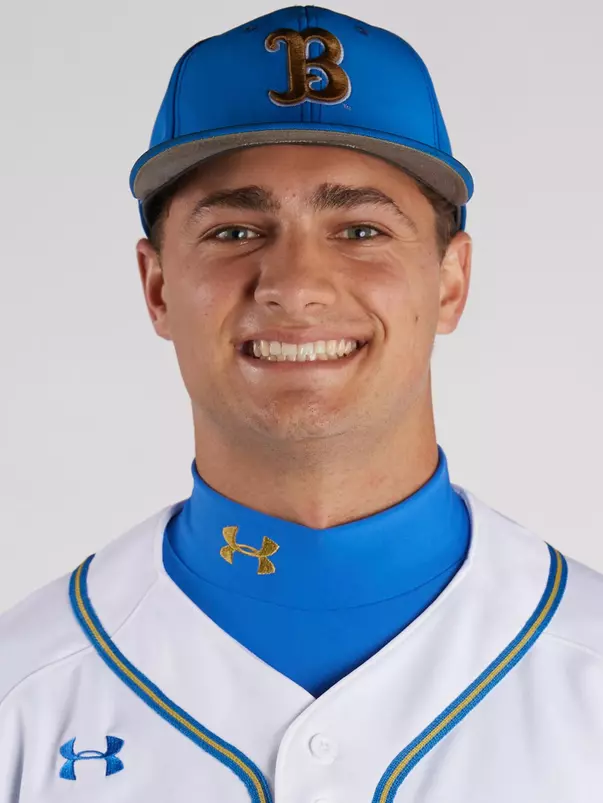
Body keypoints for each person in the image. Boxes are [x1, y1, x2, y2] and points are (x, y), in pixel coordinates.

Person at [1, 5, 602, 802]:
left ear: (450, 281)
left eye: (358, 230)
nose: (293, 286)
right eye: (234, 231)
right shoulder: (23, 690)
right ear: (156, 287)